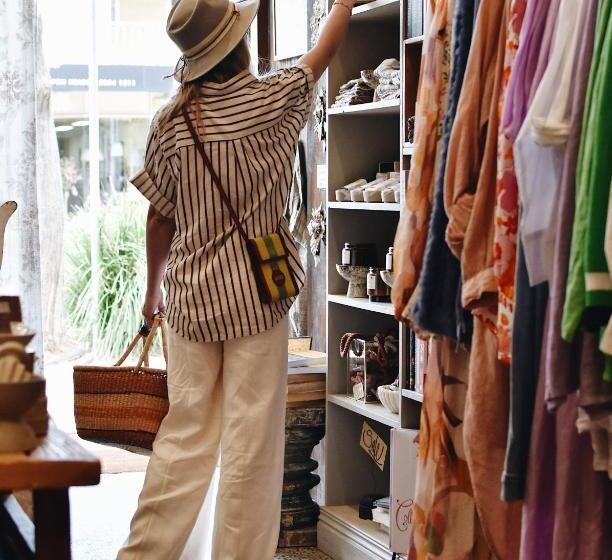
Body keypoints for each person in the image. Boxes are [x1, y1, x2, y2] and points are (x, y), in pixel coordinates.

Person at [117, 0, 356, 558]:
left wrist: (152, 293)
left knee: (184, 438)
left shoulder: (170, 124)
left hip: (191, 303)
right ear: (238, 45)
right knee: (251, 442)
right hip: (257, 299)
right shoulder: (272, 101)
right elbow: (324, 50)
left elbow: (158, 218)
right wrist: (343, 4)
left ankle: (143, 554)